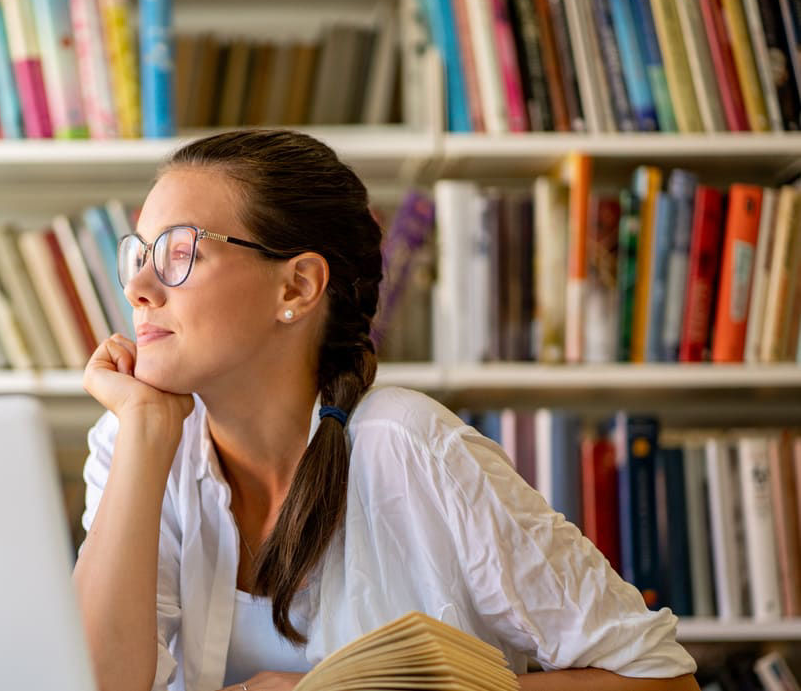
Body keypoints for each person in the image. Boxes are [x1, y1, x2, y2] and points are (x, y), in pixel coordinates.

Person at [72, 129, 699, 691]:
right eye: (141, 253)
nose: (137, 288)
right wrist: (146, 433)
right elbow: (97, 683)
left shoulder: (410, 445)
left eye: (180, 252)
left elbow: (660, 682)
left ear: (296, 286)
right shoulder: (134, 442)